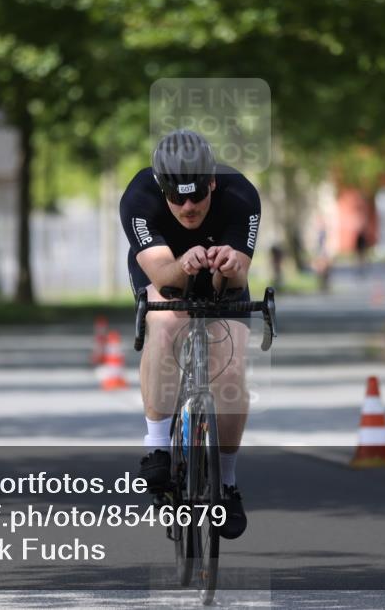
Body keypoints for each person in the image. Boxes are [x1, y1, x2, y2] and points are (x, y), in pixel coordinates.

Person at [119, 128, 260, 540]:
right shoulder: (139, 197)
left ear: (212, 181)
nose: (188, 207)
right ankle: (157, 445)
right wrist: (185, 263)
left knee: (230, 370)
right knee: (165, 322)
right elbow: (166, 278)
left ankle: (227, 484)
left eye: (196, 195)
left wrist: (229, 265)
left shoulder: (241, 195)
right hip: (163, 269)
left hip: (221, 278)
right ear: (161, 187)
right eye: (176, 198)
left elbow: (236, 281)